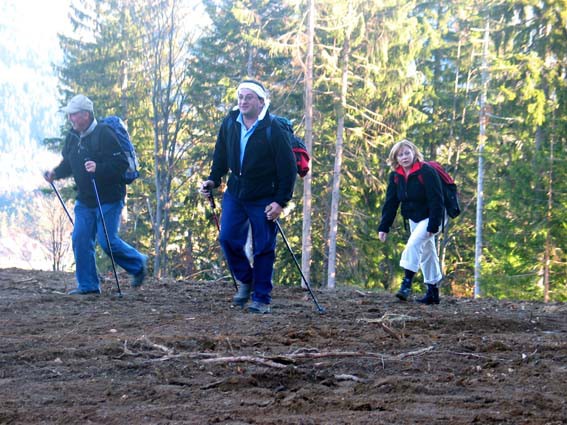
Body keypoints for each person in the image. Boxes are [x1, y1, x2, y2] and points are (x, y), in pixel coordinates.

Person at [200, 80, 297, 314]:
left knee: (263, 247)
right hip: (236, 191)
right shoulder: (231, 123)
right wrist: (213, 179)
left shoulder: (273, 129)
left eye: (249, 97)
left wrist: (280, 202)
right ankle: (247, 280)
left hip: (264, 195)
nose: (243, 101)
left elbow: (288, 168)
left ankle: (261, 298)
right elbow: (220, 154)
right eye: (240, 97)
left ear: (261, 102)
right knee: (228, 239)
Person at [44, 94, 147, 295]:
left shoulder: (105, 134)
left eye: (73, 115)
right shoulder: (72, 136)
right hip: (85, 199)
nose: (70, 118)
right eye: (70, 115)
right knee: (80, 238)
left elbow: (120, 164)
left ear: (85, 115)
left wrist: (98, 168)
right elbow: (68, 163)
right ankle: (88, 286)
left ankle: (138, 263)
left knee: (107, 241)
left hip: (109, 198)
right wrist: (55, 173)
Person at [378, 139, 444, 304]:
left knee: (413, 244)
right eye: (400, 154)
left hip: (433, 216)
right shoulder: (395, 176)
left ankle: (406, 284)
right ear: (396, 158)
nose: (404, 157)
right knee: (428, 253)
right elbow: (391, 203)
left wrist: (433, 224)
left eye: (407, 153)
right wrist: (384, 227)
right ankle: (433, 293)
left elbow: (437, 199)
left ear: (414, 153)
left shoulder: (426, 171)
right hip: (415, 218)